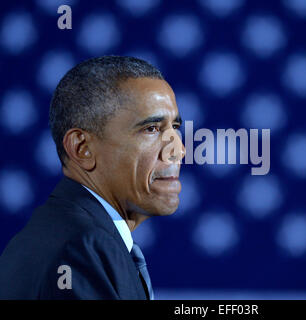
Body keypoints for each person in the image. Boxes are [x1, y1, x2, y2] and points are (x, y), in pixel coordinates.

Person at [0, 56, 185, 299]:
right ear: (82, 148)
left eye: (176, 127)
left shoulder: (80, 236)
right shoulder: (78, 251)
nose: (178, 150)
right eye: (151, 129)